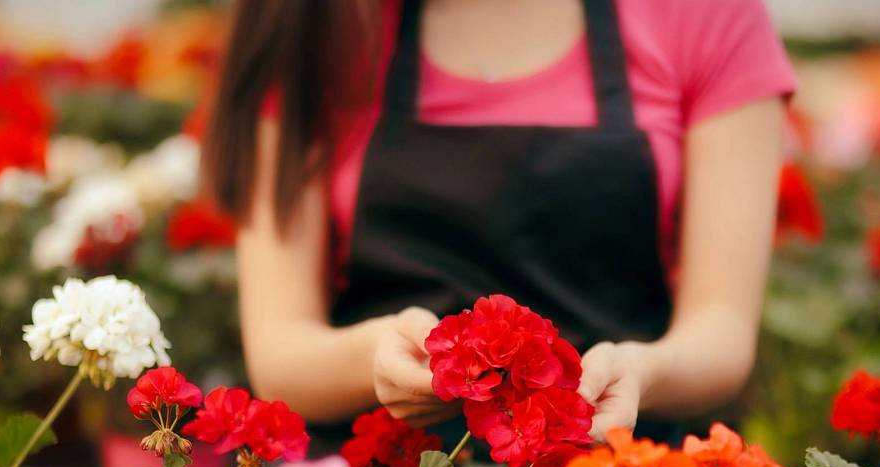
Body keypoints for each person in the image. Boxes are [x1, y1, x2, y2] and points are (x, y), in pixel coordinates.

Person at [203, 0, 794, 443]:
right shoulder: (317, 20)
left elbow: (721, 334)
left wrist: (643, 370)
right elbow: (280, 352)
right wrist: (372, 355)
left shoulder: (707, 15)